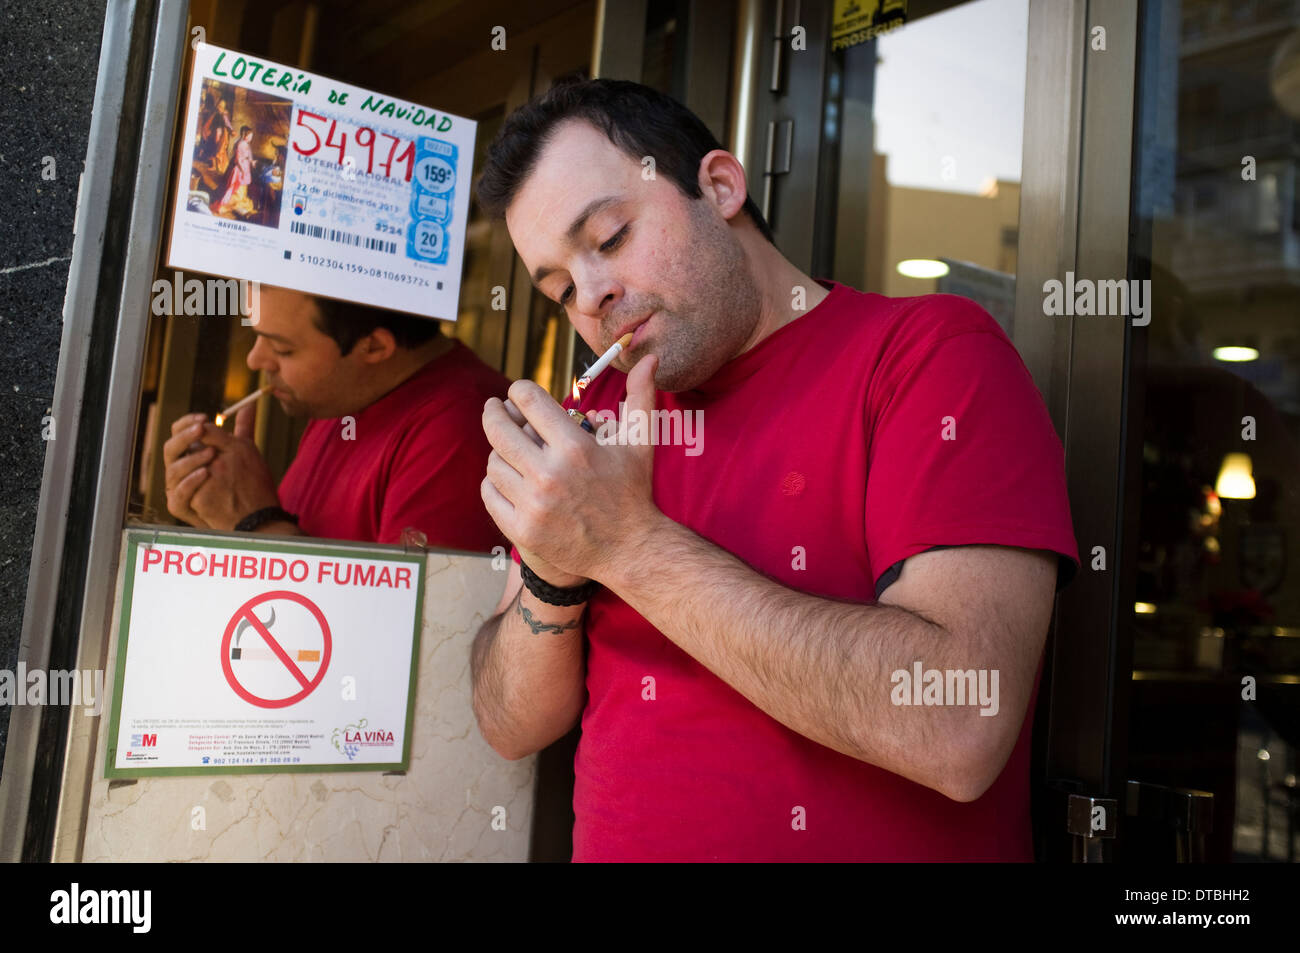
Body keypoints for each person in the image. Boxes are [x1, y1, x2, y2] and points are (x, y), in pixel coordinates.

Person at [469, 77, 1080, 861]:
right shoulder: (597, 424)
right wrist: (557, 570)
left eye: (612, 237)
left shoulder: (930, 357)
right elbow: (509, 722)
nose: (592, 296)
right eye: (558, 287)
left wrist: (626, 546)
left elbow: (959, 720)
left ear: (720, 186)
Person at [162, 286, 510, 553]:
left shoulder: (461, 430)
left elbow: (401, 629)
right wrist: (220, 513)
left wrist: (254, 522)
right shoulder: (345, 397)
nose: (255, 359)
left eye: (283, 348)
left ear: (373, 347)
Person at [210, 125, 254, 215]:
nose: (251, 138)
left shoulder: (246, 144)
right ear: (245, 135)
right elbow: (237, 159)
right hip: (239, 169)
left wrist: (251, 161)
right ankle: (229, 204)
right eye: (249, 136)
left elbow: (248, 155)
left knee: (242, 188)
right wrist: (242, 171)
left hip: (245, 167)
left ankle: (239, 201)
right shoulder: (241, 144)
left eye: (251, 136)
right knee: (236, 188)